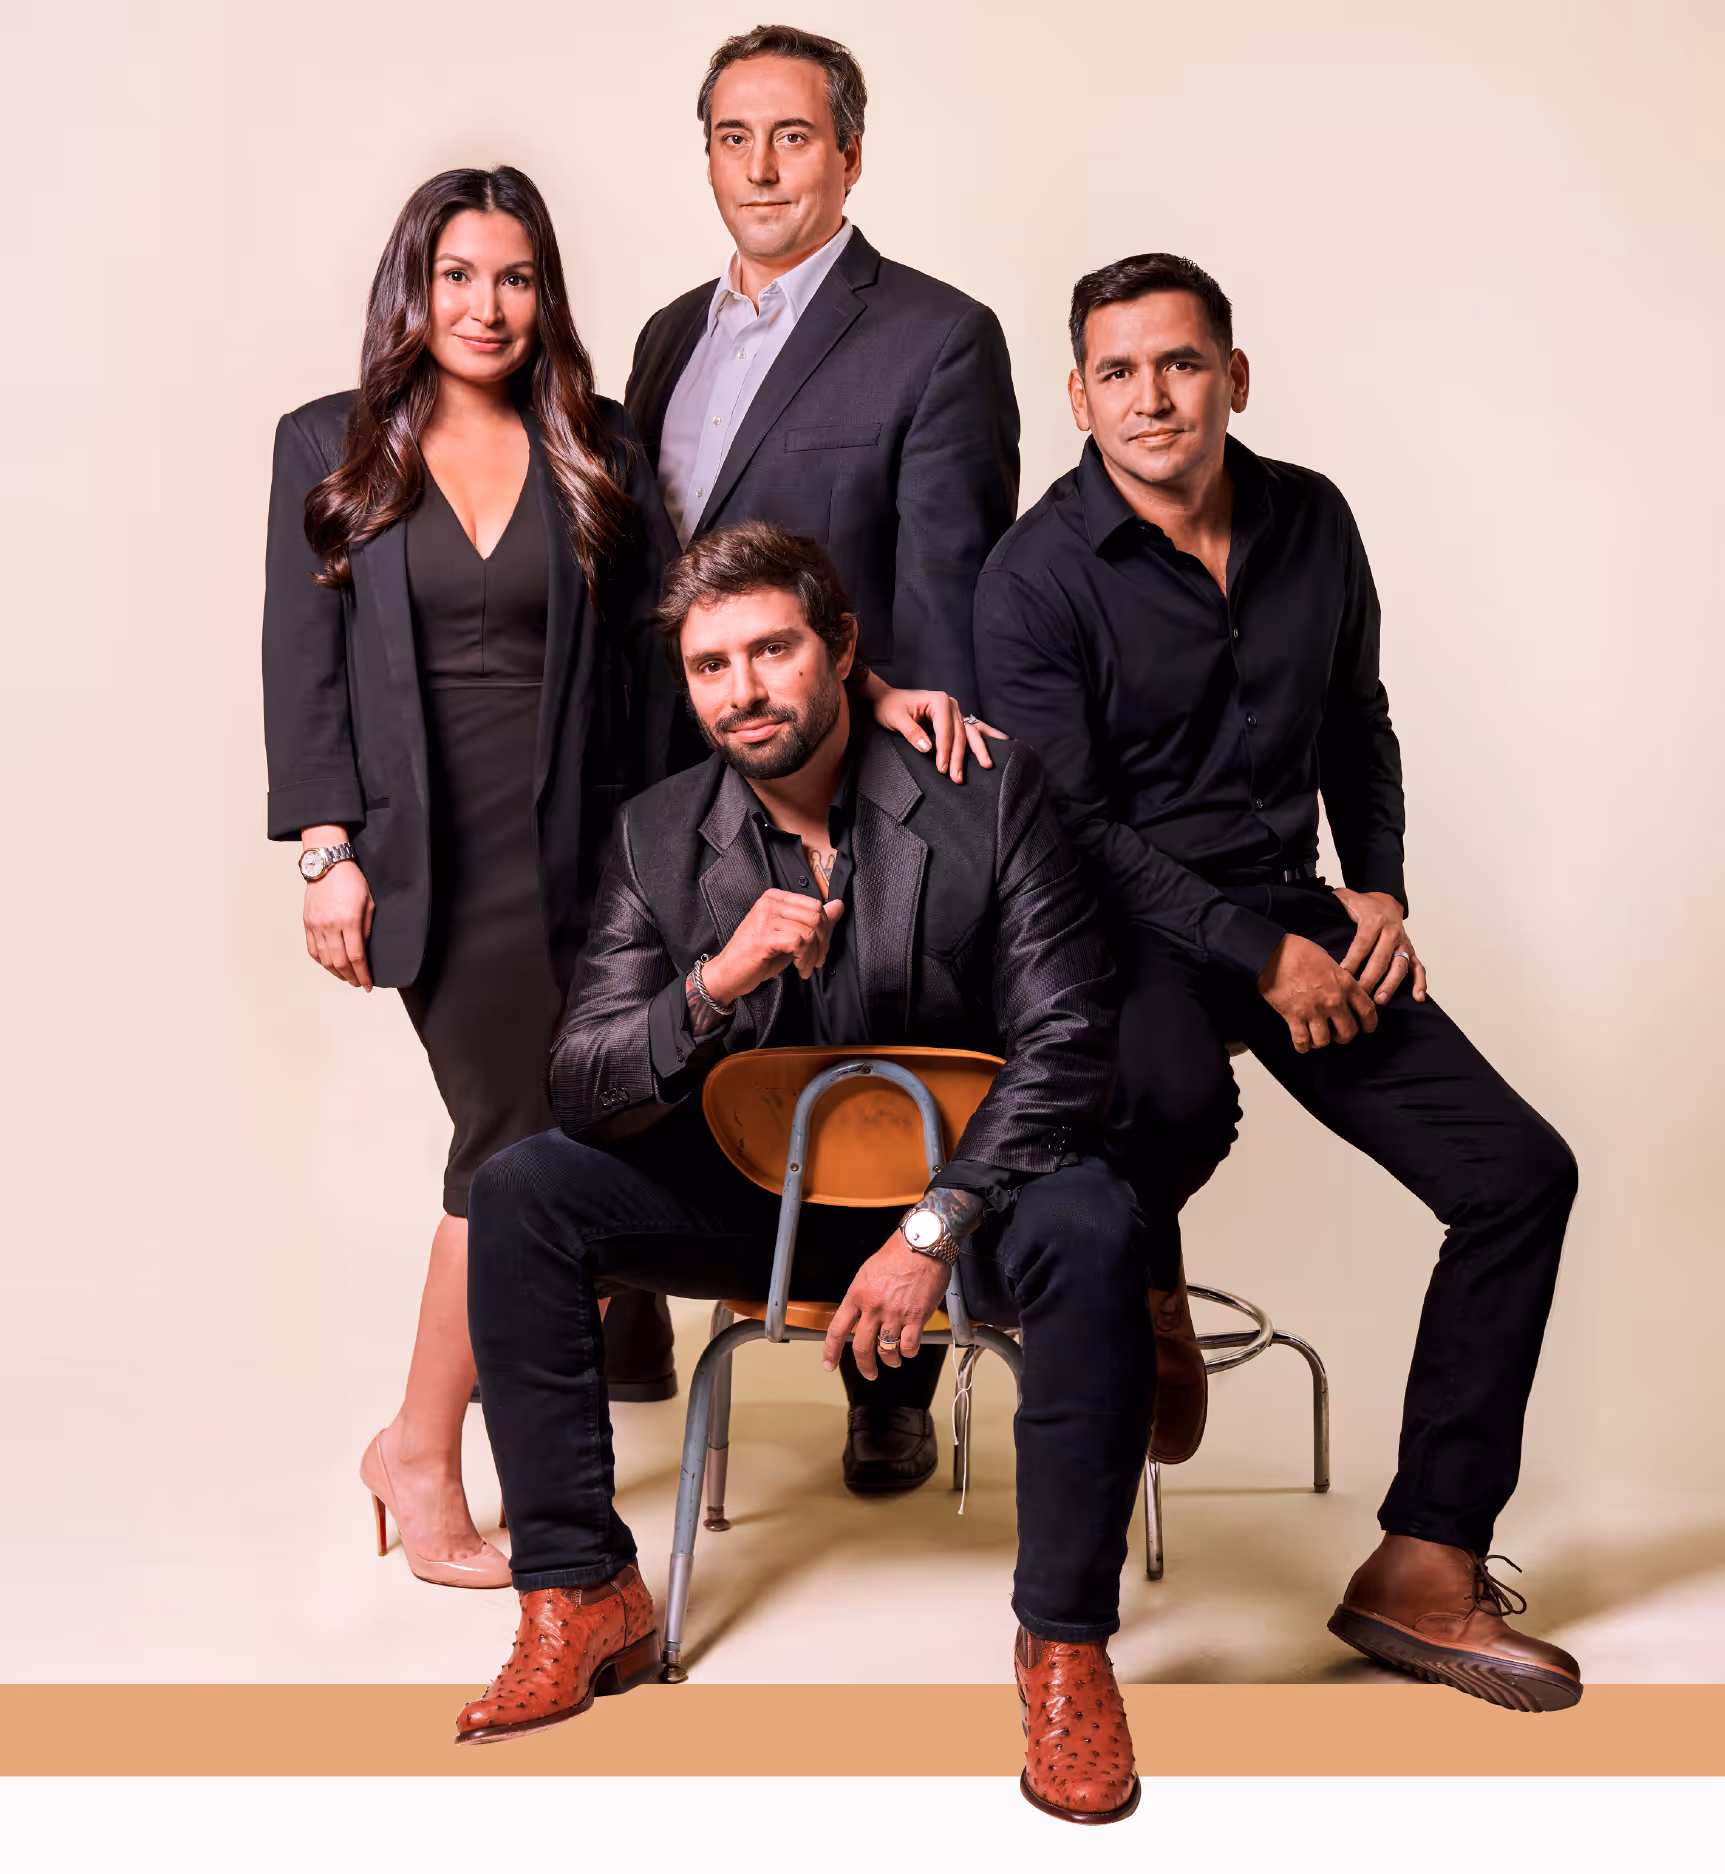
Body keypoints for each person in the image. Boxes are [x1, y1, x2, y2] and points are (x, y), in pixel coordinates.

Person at [262, 167, 970, 1591]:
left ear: (548, 295)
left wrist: (862, 684)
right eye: (457, 275)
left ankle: (455, 1441)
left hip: (589, 850)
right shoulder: (324, 445)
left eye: (515, 278)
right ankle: (421, 1442)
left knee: (534, 1145)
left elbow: (681, 633)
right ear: (413, 287)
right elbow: (303, 663)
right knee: (513, 1139)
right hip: (428, 862)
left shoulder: (596, 441)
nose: (486, 305)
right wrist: (326, 848)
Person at [460, 523, 1149, 1824]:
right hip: (754, 1209)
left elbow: (1068, 1039)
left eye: (771, 648)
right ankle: (579, 1587)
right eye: (712, 665)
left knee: (1100, 1221)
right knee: (521, 1189)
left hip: (958, 1208)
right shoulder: (659, 836)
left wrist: (937, 1223)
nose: (744, 688)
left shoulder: (987, 792)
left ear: (839, 648)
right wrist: (711, 984)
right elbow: (582, 1079)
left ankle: (1064, 1647)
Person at [973, 253, 1584, 1713]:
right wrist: (1258, 953)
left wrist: (1374, 888)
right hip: (1118, 928)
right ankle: (1136, 1323)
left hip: (1296, 904)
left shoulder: (1313, 517)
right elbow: (1073, 829)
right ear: (1076, 396)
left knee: (1520, 1174)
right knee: (1158, 1110)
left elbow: (1356, 720)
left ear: (1233, 375)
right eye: (1116, 372)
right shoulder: (1032, 575)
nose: (1151, 396)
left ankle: (1425, 1558)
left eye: (1179, 363)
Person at [613, 23, 1024, 1480]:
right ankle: (648, 1265)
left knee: (852, 1034)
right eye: (734, 136)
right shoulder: (667, 335)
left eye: (793, 135)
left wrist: (925, 715)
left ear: (850, 152)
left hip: (838, 760)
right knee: (683, 1026)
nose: (763, 166)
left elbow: (955, 565)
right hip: (672, 768)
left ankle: (883, 1372)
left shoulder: (936, 333)